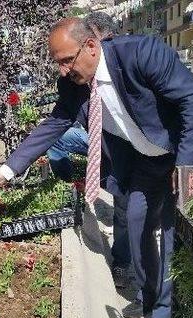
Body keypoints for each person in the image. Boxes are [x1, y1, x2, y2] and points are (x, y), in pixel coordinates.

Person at [0, 18, 193, 318]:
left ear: (91, 46)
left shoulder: (143, 53)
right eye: (57, 62)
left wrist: (187, 164)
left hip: (180, 152)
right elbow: (55, 124)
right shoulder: (74, 85)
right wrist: (3, 173)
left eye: (66, 59)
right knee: (139, 226)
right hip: (144, 161)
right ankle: (154, 299)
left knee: (172, 237)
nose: (62, 70)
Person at [47, 12, 132, 288]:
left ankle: (127, 263)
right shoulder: (76, 78)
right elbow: (56, 123)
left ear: (98, 42)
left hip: (134, 151)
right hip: (99, 141)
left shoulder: (128, 63)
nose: (65, 69)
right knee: (122, 201)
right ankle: (123, 261)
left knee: (127, 205)